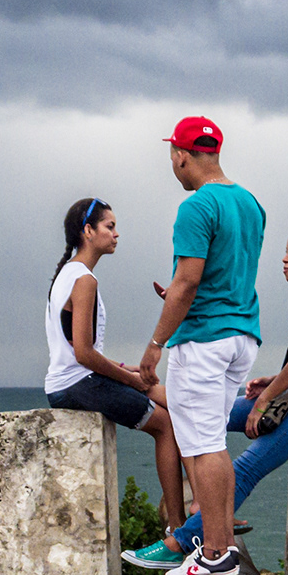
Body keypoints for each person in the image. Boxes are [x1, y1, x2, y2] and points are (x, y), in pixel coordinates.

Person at [124, 226, 288, 567]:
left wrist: (263, 402)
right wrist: (272, 381)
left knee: (245, 467)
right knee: (207, 410)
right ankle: (135, 382)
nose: (285, 258)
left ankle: (180, 543)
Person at [135, 117, 266, 575]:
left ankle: (213, 555)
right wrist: (174, 294)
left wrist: (155, 345)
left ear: (180, 155)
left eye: (173, 154)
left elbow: (189, 280)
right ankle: (222, 542)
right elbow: (219, 275)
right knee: (213, 439)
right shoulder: (250, 203)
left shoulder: (196, 206)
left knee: (204, 444)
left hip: (204, 338)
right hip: (241, 335)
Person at [45, 197, 186, 525]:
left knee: (171, 402)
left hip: (73, 381)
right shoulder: (84, 280)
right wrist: (129, 379)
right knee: (166, 425)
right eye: (110, 227)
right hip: (77, 385)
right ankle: (178, 526)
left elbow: (73, 347)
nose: (116, 234)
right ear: (89, 231)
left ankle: (190, 515)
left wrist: (123, 370)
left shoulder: (68, 274)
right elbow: (83, 354)